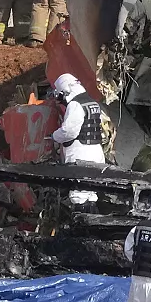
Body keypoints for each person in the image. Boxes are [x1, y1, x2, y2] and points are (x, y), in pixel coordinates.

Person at [50, 73, 107, 206]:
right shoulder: (92, 102)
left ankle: (81, 223)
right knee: (91, 192)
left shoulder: (75, 105)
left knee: (78, 195)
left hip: (81, 153)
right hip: (96, 151)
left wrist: (54, 136)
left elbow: (69, 131)